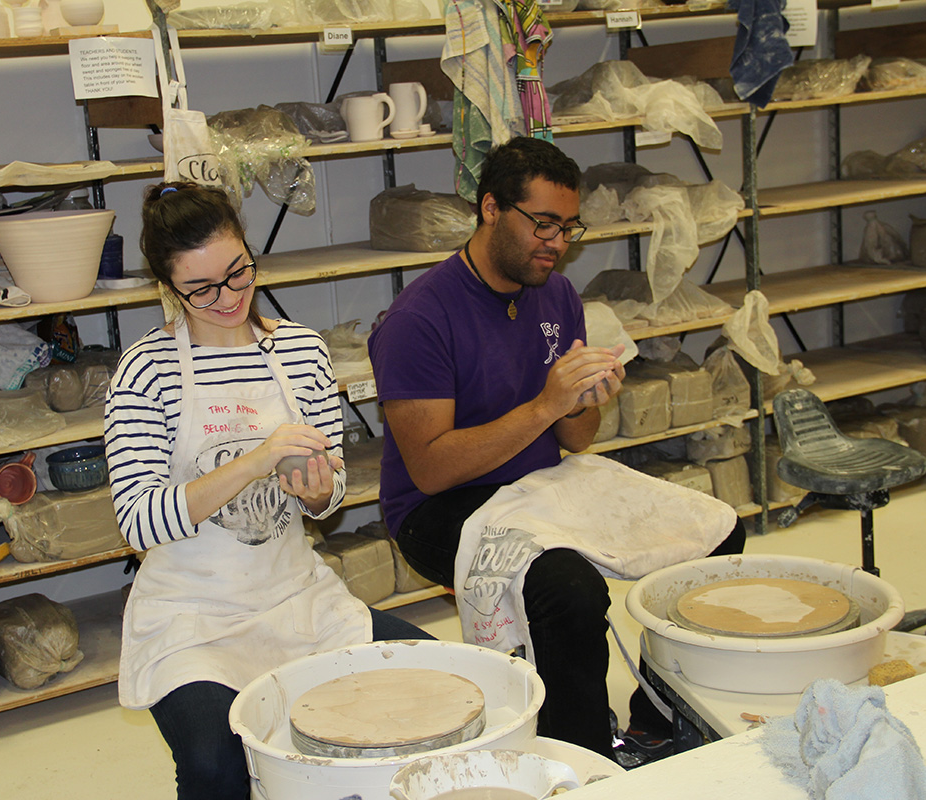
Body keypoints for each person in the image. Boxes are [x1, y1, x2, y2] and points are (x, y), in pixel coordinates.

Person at [368, 137, 745, 764]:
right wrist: (546, 405)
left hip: (538, 485)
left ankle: (657, 721)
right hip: (439, 507)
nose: (557, 242)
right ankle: (582, 765)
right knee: (567, 589)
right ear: (491, 208)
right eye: (543, 223)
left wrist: (581, 400)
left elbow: (578, 439)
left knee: (718, 530)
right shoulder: (419, 319)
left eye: (568, 227)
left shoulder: (558, 295)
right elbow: (431, 470)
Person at [105, 182, 429, 800]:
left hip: (295, 597)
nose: (228, 297)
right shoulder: (146, 370)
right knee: (215, 764)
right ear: (168, 288)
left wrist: (317, 492)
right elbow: (139, 522)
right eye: (201, 289)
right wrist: (254, 462)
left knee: (424, 679)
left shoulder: (302, 351)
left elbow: (330, 495)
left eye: (238, 273)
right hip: (192, 616)